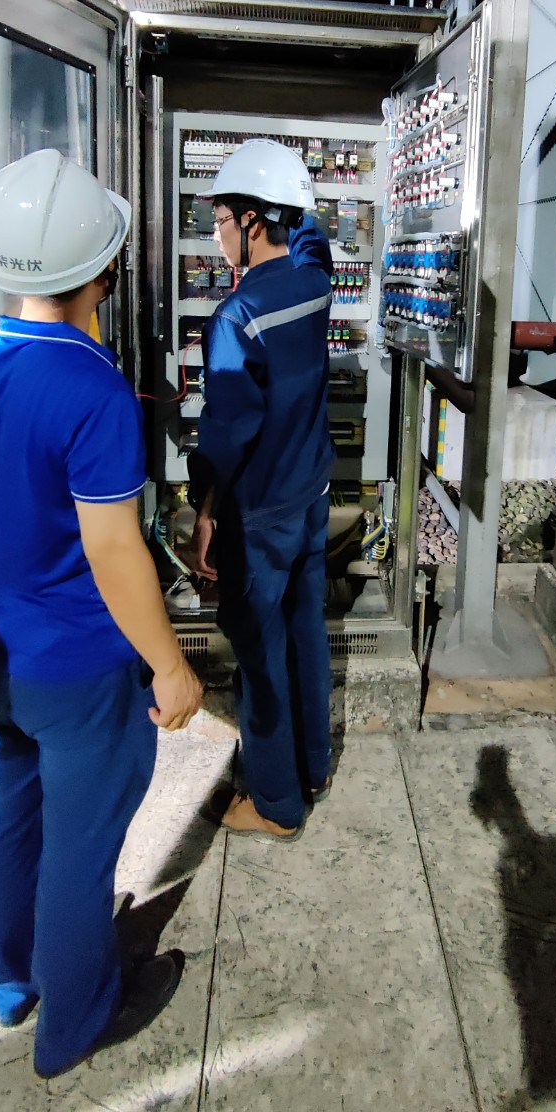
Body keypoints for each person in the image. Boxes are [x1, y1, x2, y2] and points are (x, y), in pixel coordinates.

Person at [0, 147, 203, 1079]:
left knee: (6, 815)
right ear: (104, 270)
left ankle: (10, 981)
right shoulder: (94, 390)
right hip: (79, 666)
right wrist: (170, 666)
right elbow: (113, 549)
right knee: (79, 850)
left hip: (0, 651)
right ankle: (76, 1023)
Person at [186, 139, 334, 841]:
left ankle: (276, 804)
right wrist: (292, 203)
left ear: (251, 220)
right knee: (306, 634)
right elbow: (312, 232)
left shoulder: (237, 317)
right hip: (311, 497)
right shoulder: (315, 283)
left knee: (260, 655)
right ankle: (314, 766)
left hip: (260, 515)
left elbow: (227, 434)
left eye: (220, 219)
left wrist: (204, 511)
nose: (214, 234)